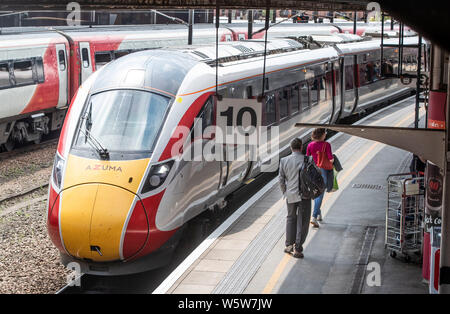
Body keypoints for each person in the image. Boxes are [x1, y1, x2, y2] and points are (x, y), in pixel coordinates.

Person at [278, 138, 312, 258]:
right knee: (303, 221)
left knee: (291, 218)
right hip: (305, 195)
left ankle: (288, 245)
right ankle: (298, 248)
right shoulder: (308, 159)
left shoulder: (283, 160)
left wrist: (285, 192)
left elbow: (281, 180)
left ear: (291, 148)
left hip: (291, 194)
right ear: (301, 147)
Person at [306, 128, 334, 228]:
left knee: (316, 193)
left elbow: (307, 158)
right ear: (322, 135)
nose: (325, 135)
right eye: (324, 133)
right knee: (320, 194)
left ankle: (318, 214)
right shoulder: (326, 145)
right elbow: (330, 159)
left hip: (312, 172)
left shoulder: (310, 145)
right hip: (323, 171)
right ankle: (313, 217)